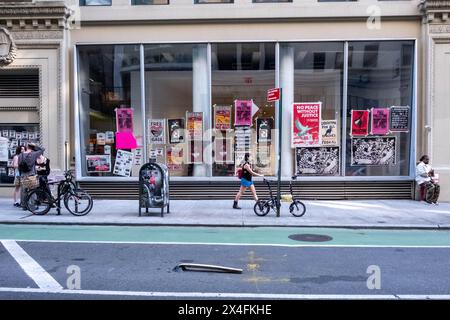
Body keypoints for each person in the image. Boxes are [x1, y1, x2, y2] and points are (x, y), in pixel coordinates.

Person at [18, 143, 45, 209]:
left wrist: (21, 174)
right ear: (33, 148)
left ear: (27, 147)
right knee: (33, 191)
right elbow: (43, 149)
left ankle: (24, 205)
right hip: (31, 175)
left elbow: (19, 166)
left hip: (23, 175)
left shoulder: (20, 155)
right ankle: (32, 206)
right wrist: (35, 145)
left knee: (24, 191)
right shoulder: (34, 154)